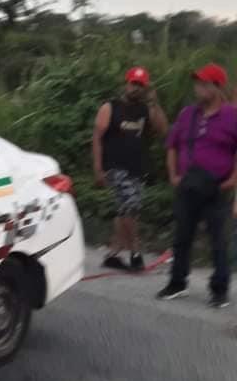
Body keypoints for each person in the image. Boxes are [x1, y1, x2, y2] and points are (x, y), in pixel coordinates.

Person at [158, 63, 237, 308]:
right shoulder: (187, 115)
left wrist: (233, 181)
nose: (198, 88)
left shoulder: (232, 116)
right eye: (197, 83)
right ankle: (177, 283)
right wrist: (173, 175)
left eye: (204, 84)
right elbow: (172, 145)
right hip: (188, 185)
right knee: (182, 237)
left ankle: (219, 289)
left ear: (217, 87)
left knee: (218, 241)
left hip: (216, 187)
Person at [92, 67, 168, 271]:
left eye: (140, 85)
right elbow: (97, 138)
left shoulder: (144, 109)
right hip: (115, 167)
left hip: (136, 167)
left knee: (126, 210)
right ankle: (135, 252)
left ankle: (113, 254)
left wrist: (153, 101)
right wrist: (98, 167)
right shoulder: (111, 107)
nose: (135, 88)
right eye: (133, 83)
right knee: (131, 205)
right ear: (126, 83)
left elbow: (162, 129)